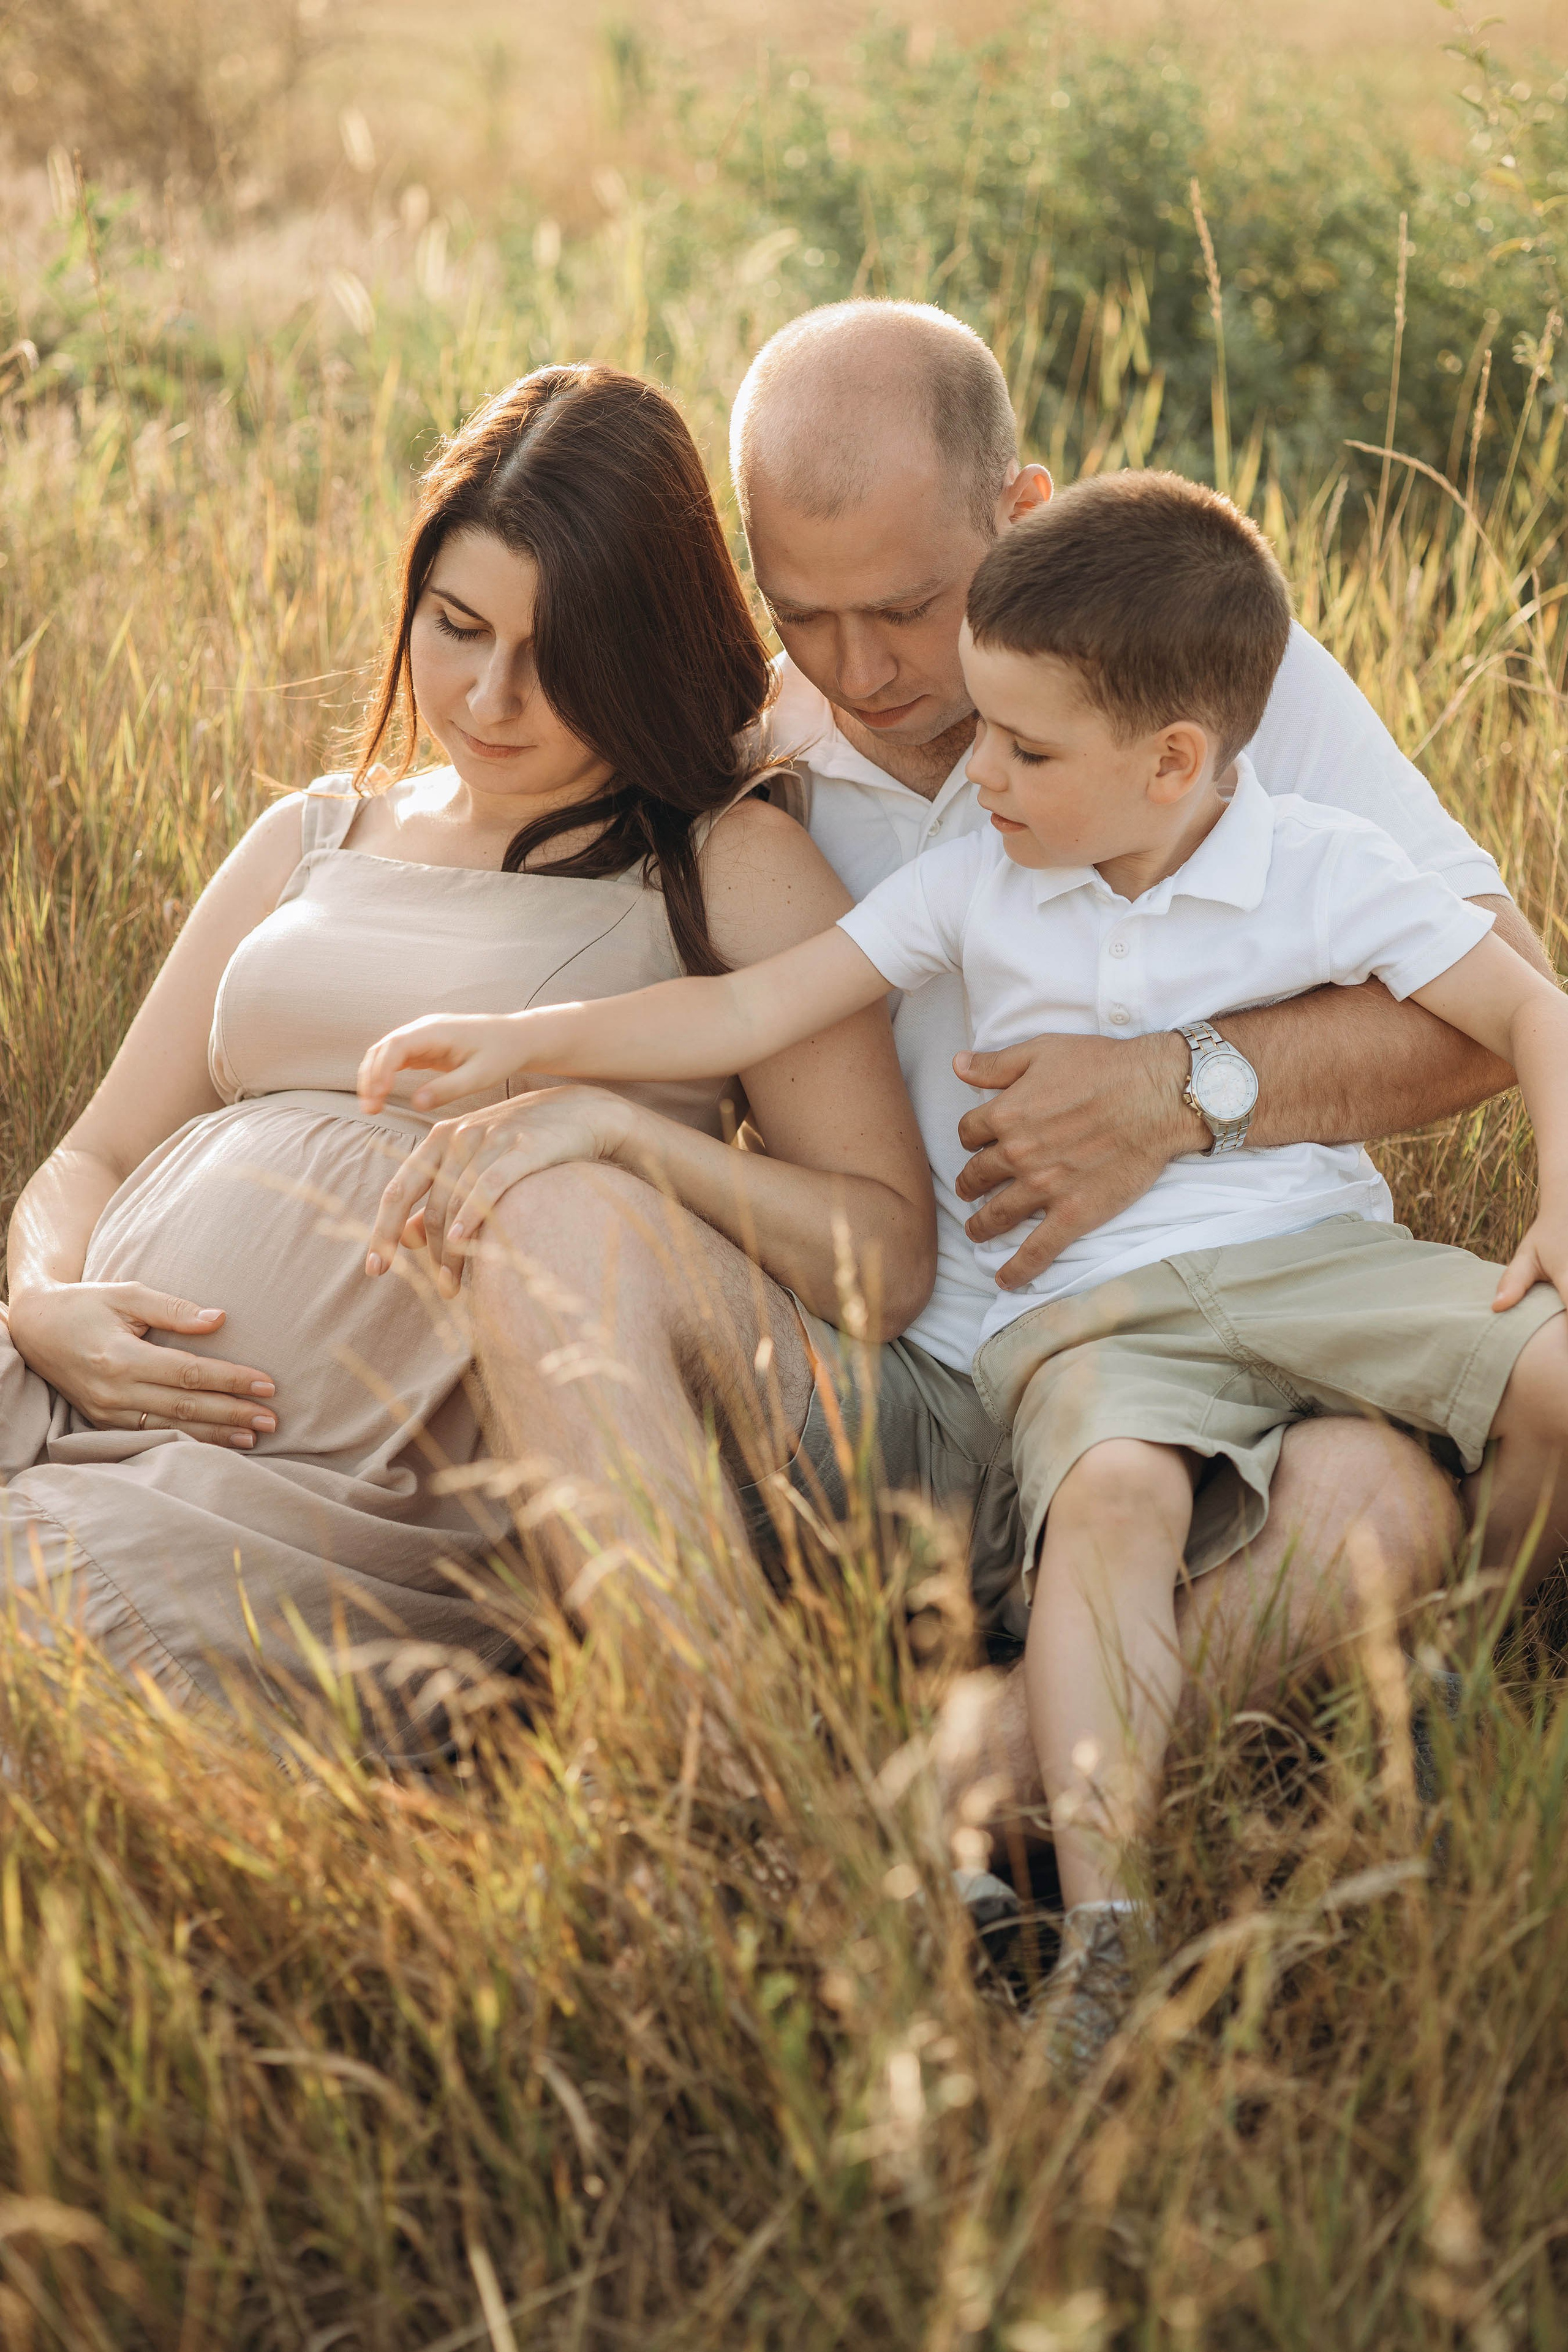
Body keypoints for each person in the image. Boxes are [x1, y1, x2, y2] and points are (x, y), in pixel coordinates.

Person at [355, 469, 1568, 2064]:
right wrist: (536, 1052)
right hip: (1040, 1345)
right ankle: (902, 1863)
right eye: (803, 617)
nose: (868, 683)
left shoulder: (1267, 768)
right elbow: (746, 1008)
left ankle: (1378, 1693)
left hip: (1286, 1294)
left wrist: (1213, 1098)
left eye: (909, 615)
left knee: (1455, 1450)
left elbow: (1517, 1008)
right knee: (1108, 1496)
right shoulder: (883, 824)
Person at [0, 363, 933, 1738]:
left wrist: (627, 1138)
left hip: (342, 1489)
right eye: (457, 627)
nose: (493, 696)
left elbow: (885, 1256)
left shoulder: (722, 865)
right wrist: (43, 1302)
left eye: (557, 656)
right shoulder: (312, 835)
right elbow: (96, 1151)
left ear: (648, 648)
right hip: (64, 1379)